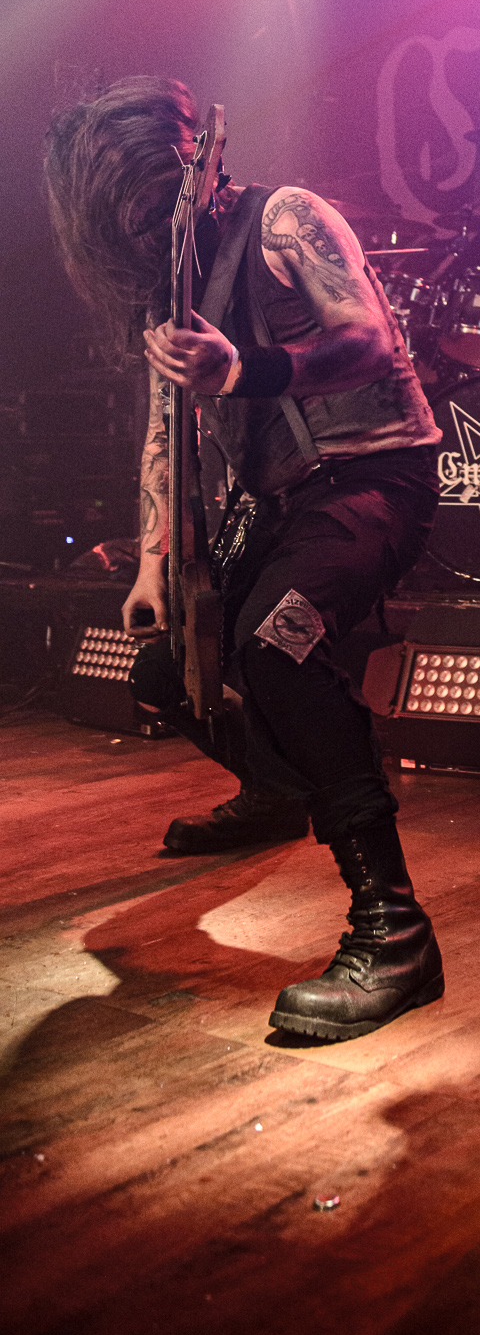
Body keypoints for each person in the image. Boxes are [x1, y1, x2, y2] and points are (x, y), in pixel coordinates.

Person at [44, 79, 445, 1044]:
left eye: (152, 208)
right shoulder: (169, 286)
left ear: (189, 168)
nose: (144, 231)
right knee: (166, 669)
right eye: (127, 222)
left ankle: (393, 928)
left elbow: (369, 341)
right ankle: (274, 791)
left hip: (374, 475)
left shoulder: (288, 218)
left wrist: (246, 369)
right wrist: (154, 564)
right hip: (275, 502)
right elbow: (164, 428)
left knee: (275, 645)